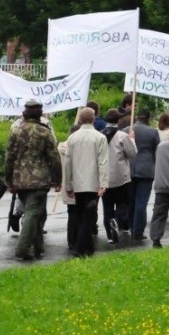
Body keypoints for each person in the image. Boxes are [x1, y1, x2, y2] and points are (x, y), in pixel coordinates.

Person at [5, 99, 62, 260]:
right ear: (40, 114)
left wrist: (8, 179)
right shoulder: (44, 132)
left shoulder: (16, 131)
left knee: (37, 212)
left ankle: (39, 247)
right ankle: (22, 247)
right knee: (33, 212)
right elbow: (54, 158)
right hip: (39, 179)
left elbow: (9, 157)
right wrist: (58, 179)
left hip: (20, 179)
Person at [63, 107, 110, 258]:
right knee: (89, 216)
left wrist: (68, 184)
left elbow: (68, 163)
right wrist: (103, 183)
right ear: (94, 118)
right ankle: (80, 247)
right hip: (93, 182)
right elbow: (103, 162)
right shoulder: (100, 138)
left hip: (77, 182)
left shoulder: (72, 138)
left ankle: (87, 247)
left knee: (80, 214)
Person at [101, 110, 136, 243]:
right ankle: (117, 219)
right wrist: (132, 140)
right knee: (123, 204)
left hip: (104, 177)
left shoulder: (100, 135)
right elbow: (132, 153)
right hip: (121, 177)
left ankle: (110, 236)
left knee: (107, 207)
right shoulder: (122, 136)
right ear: (118, 121)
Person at [126, 110, 160, 242]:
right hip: (146, 168)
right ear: (148, 118)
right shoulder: (152, 132)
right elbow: (157, 147)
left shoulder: (126, 130)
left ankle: (130, 225)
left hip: (129, 167)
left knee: (131, 200)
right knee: (141, 201)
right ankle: (138, 230)